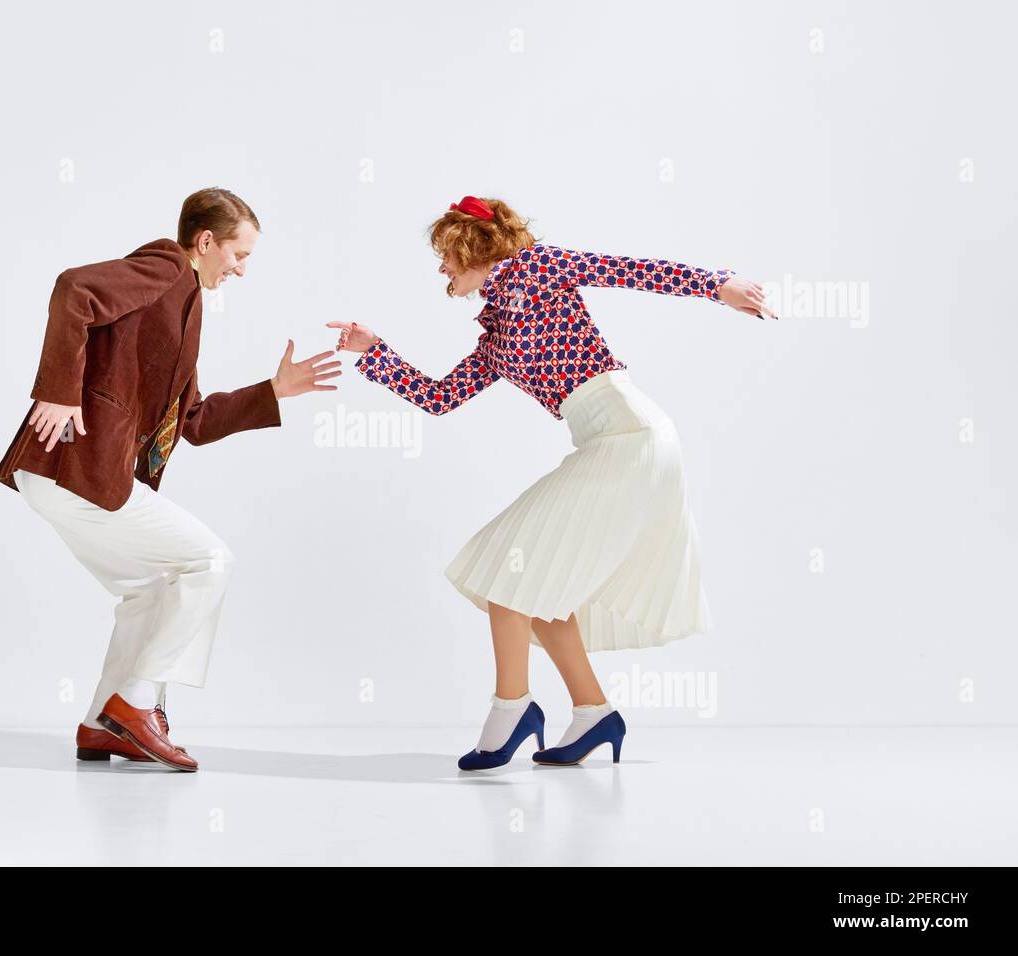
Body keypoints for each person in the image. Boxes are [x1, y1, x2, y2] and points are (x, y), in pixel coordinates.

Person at [329, 195, 775, 771]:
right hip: (604, 443)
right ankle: (594, 713)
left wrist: (722, 286)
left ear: (473, 248)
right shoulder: (495, 333)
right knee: (539, 587)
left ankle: (512, 707)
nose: (441, 268)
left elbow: (635, 271)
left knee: (509, 567)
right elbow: (440, 398)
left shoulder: (542, 266)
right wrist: (374, 353)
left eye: (446, 255)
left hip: (632, 437)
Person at [0, 187, 339, 771]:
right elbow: (74, 288)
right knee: (209, 561)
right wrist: (58, 391)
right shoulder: (166, 266)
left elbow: (193, 423)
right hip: (75, 465)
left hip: (68, 475)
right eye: (239, 254)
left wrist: (273, 392)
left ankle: (102, 722)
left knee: (151, 591)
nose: (242, 269)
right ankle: (137, 705)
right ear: (205, 242)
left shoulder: (184, 305)